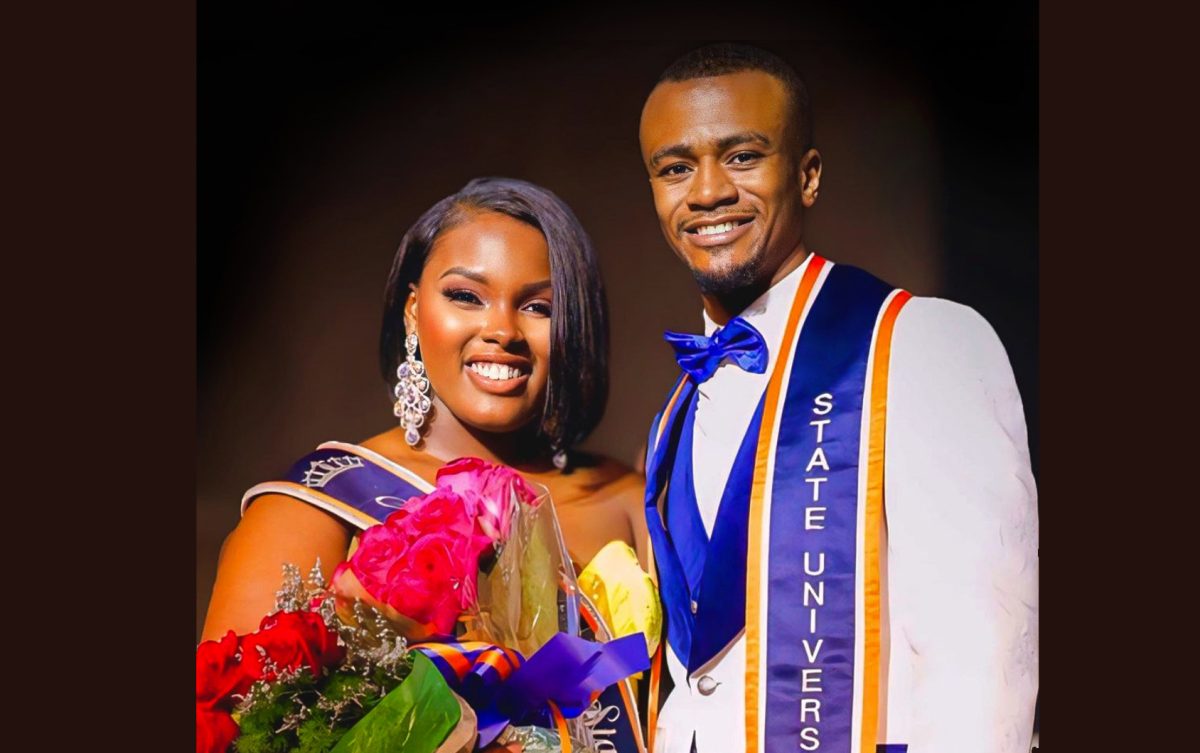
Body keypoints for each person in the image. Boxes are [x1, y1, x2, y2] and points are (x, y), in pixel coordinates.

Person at [637, 44, 1038, 753]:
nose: (705, 192)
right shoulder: (677, 409)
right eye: (675, 168)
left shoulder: (921, 344)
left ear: (808, 175)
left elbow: (979, 659)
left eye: (741, 157)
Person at [202, 177, 650, 644]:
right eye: (466, 297)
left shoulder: (627, 500)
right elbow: (234, 710)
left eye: (540, 307)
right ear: (413, 311)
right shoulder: (316, 505)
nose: (502, 330)